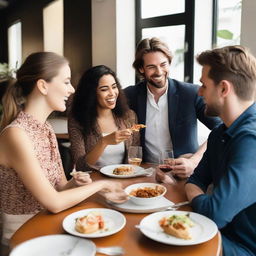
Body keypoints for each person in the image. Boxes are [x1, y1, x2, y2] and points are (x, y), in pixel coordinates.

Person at [0, 53, 127, 248]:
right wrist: (101, 185)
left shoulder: (45, 128)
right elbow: (54, 202)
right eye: (66, 81)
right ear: (43, 86)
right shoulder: (16, 135)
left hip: (50, 225)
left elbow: (60, 187)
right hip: (23, 237)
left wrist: (75, 183)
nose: (72, 88)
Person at [185, 45, 256, 256]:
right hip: (218, 234)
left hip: (244, 249)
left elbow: (214, 213)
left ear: (223, 89)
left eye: (203, 85)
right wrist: (204, 200)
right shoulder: (219, 133)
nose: (199, 92)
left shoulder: (252, 139)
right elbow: (194, 180)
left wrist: (203, 202)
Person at [124, 37, 221, 179]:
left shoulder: (191, 93)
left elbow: (220, 127)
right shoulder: (129, 95)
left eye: (163, 64)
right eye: (151, 67)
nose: (159, 71)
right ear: (141, 69)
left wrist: (194, 161)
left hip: (184, 173)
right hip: (146, 173)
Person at [68, 65, 140, 172]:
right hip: (93, 183)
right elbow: (80, 166)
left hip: (123, 182)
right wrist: (104, 142)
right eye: (104, 89)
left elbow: (135, 155)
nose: (112, 93)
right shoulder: (77, 120)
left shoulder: (129, 116)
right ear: (91, 93)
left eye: (114, 87)